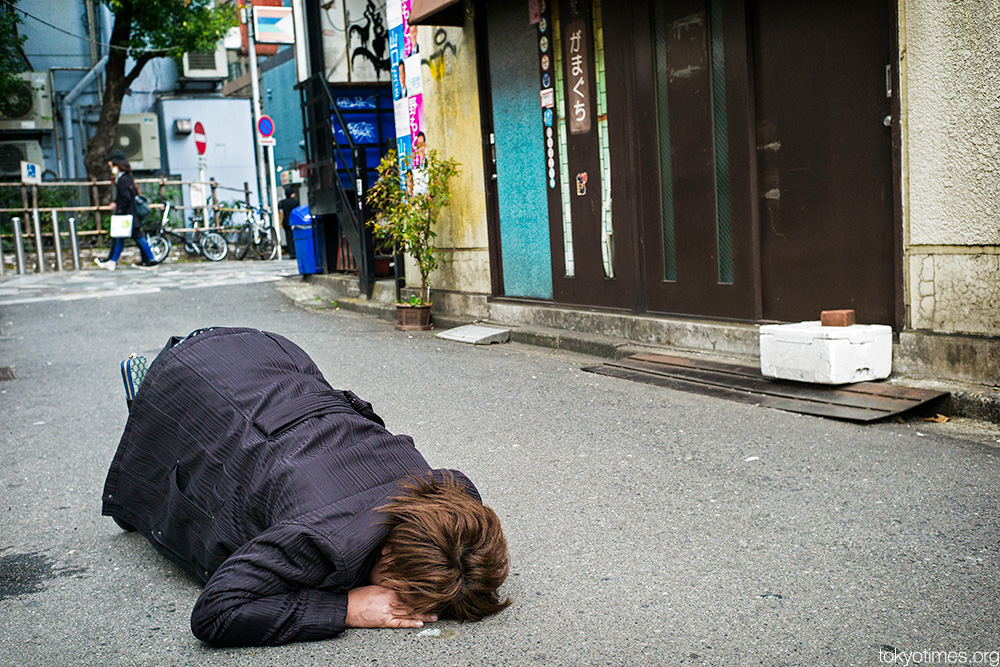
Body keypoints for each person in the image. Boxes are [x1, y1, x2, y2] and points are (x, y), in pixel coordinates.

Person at [101, 327, 511, 647]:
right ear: (386, 549)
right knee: (179, 473)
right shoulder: (318, 541)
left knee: (250, 443)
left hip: (262, 352)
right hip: (192, 377)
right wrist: (346, 607)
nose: (408, 609)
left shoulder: (445, 488)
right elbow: (215, 613)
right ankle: (149, 387)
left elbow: (466, 495)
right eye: (401, 594)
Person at [95, 153, 156, 270]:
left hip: (126, 215)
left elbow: (125, 197)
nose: (111, 169)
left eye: (112, 166)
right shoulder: (128, 178)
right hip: (130, 214)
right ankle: (113, 261)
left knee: (132, 237)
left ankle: (151, 259)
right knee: (125, 238)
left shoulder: (122, 180)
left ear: (117, 166)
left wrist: (117, 206)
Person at [277, 186, 298, 259]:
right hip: (294, 221)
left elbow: (279, 209)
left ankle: (291, 253)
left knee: (288, 237)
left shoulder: (282, 202)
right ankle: (296, 252)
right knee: (295, 237)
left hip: (285, 221)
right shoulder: (295, 202)